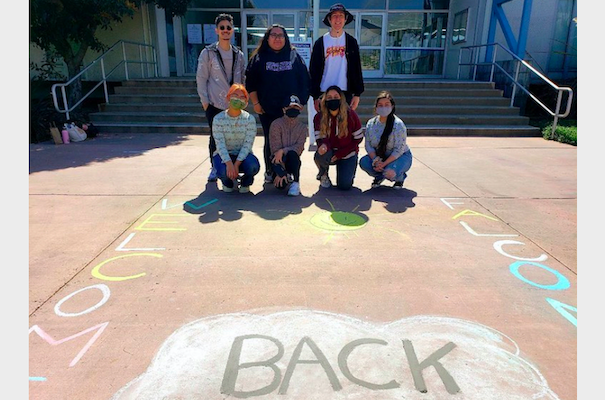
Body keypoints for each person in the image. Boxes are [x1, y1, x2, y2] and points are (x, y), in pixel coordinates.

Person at [245, 24, 310, 184]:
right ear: (267, 38)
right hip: (268, 109)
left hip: (290, 109)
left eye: (281, 35)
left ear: (285, 38)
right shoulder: (259, 57)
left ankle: (289, 171)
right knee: (271, 140)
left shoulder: (294, 56)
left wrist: (301, 102)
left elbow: (305, 81)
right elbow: (251, 83)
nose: (277, 38)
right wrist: (256, 103)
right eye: (273, 35)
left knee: (289, 142)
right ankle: (271, 170)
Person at [196, 13, 246, 182]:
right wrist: (205, 102)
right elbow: (201, 78)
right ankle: (214, 167)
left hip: (234, 105)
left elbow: (242, 79)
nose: (226, 30)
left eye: (229, 28)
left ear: (233, 30)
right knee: (216, 137)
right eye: (222, 28)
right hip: (215, 103)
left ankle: (233, 167)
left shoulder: (239, 54)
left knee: (234, 136)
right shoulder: (208, 53)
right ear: (217, 30)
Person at [309, 3, 364, 112]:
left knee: (344, 126)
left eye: (341, 16)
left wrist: (357, 94)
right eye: (334, 16)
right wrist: (315, 96)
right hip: (324, 92)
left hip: (344, 92)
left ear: (345, 19)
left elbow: (356, 69)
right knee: (324, 126)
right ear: (329, 20)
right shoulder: (320, 43)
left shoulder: (351, 42)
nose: (337, 19)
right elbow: (313, 70)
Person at [211, 84, 260, 193]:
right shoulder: (218, 119)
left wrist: (236, 164)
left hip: (242, 155)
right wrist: (229, 164)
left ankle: (245, 182)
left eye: (242, 97)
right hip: (224, 154)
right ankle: (227, 183)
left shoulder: (249, 119)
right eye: (235, 95)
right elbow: (220, 144)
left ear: (246, 102)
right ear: (228, 98)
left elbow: (248, 145)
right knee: (222, 171)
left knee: (253, 166)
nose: (238, 99)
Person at [359, 91, 413, 189]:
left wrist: (384, 163)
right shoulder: (371, 123)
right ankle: (379, 177)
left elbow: (399, 150)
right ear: (376, 107)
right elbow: (368, 145)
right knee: (364, 162)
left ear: (392, 106)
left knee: (389, 172)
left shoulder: (398, 125)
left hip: (400, 156)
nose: (383, 107)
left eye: (387, 105)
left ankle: (399, 178)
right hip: (379, 156)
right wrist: (375, 160)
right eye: (380, 105)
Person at [313, 85, 363, 191]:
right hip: (329, 152)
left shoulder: (351, 115)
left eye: (336, 97)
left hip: (347, 152)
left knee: (344, 186)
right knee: (319, 155)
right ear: (325, 100)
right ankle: (324, 174)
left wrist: (341, 154)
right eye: (329, 97)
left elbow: (357, 139)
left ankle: (348, 170)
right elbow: (319, 138)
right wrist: (324, 146)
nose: (333, 100)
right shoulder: (319, 117)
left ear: (341, 98)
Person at [268, 95, 308, 197]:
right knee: (280, 186)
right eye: (289, 107)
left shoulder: (303, 128)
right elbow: (275, 150)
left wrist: (284, 150)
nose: (292, 110)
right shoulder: (276, 124)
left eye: (295, 107)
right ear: (284, 109)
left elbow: (299, 148)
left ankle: (295, 182)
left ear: (300, 109)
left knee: (293, 154)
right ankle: (281, 175)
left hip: (292, 158)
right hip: (277, 160)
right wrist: (281, 171)